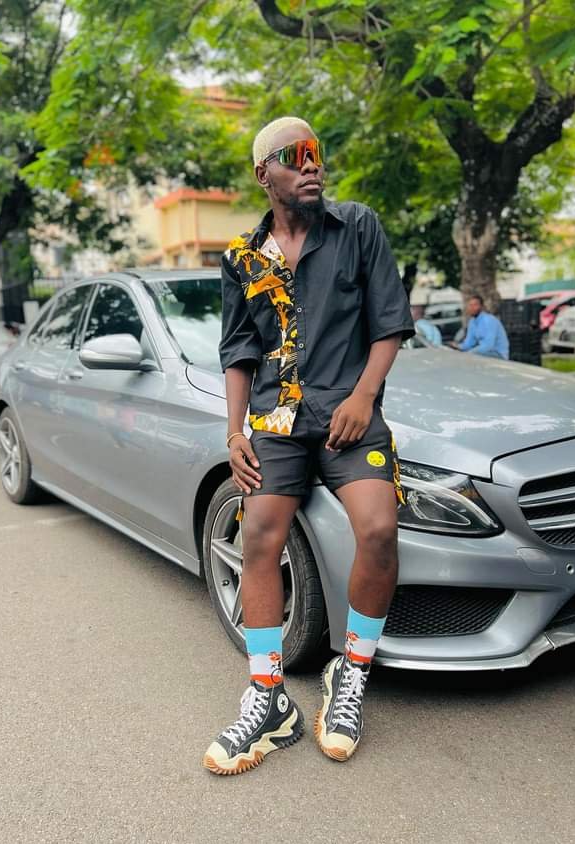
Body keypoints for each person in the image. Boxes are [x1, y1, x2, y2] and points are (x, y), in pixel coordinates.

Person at [204, 116, 414, 776]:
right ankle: (268, 697)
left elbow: (388, 324)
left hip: (348, 415)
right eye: (295, 157)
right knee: (259, 534)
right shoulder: (242, 259)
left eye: (318, 154)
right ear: (263, 174)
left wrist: (364, 396)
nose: (312, 165)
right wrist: (235, 432)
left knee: (378, 529)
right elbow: (238, 352)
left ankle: (350, 672)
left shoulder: (357, 227)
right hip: (275, 419)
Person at [454, 295, 509, 359]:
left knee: (468, 358)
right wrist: (456, 346)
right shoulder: (472, 322)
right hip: (485, 353)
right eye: (470, 305)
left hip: (498, 354)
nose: (472, 307)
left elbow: (488, 345)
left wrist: (469, 353)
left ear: (481, 307)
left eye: (475, 305)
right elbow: (469, 343)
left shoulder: (489, 320)